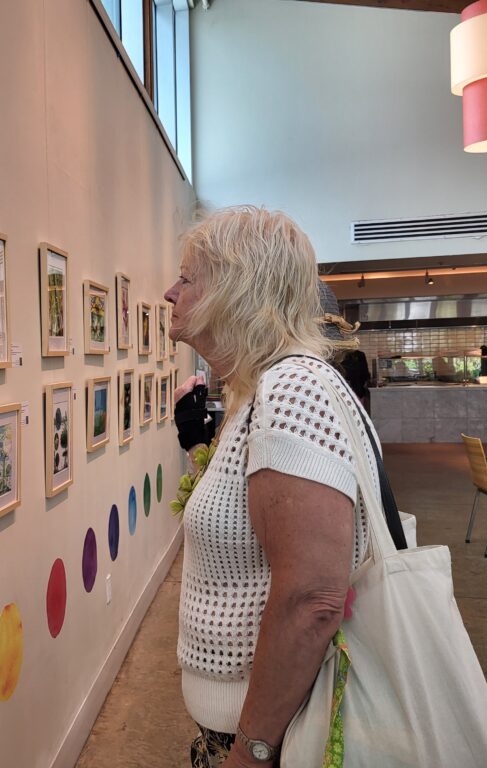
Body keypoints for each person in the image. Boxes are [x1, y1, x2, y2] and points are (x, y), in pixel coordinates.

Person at [164, 206, 384, 768]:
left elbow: (312, 600)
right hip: (250, 730)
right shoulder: (259, 388)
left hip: (277, 741)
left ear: (235, 291)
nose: (170, 292)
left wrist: (253, 750)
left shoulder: (292, 386)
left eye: (187, 279)